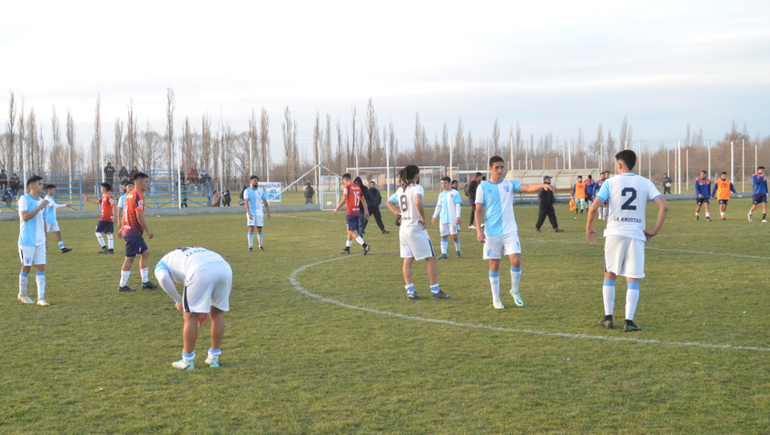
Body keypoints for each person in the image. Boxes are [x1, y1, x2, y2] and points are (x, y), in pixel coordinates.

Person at [587, 150, 668, 332]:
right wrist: (654, 231)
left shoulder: (610, 182)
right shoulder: (645, 183)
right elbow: (664, 206)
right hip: (636, 234)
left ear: (620, 165)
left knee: (610, 274)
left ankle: (608, 318)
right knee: (633, 278)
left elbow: (593, 208)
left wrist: (589, 227)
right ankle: (628, 321)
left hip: (615, 233)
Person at [475, 156, 555, 310]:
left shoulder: (509, 184)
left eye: (502, 167)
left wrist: (542, 186)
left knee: (516, 261)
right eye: (497, 167)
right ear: (490, 169)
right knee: (494, 265)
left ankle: (514, 290)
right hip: (492, 233)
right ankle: (496, 298)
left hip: (510, 231)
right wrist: (479, 230)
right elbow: (478, 211)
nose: (500, 170)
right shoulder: (482, 187)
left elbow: (526, 187)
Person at [154, 247, 232, 370]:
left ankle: (187, 361)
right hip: (224, 267)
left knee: (189, 316)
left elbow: (163, 278)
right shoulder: (179, 257)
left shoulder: (161, 264)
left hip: (200, 270)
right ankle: (214, 359)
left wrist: (178, 301)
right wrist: (201, 308)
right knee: (217, 314)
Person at [387, 165, 450, 300]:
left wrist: (399, 215)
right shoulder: (417, 188)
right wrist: (423, 218)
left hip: (403, 229)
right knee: (431, 258)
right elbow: (417, 201)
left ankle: (410, 291)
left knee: (408, 260)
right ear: (415, 175)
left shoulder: (400, 190)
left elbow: (389, 203)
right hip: (415, 228)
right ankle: (435, 290)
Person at [116, 172, 158, 292]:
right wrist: (148, 230)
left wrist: (122, 228)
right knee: (129, 258)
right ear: (139, 182)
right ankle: (122, 286)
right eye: (146, 182)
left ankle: (145, 282)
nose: (148, 184)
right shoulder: (138, 195)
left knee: (145, 253)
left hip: (131, 231)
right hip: (133, 233)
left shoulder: (129, 195)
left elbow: (126, 213)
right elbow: (139, 216)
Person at [17, 175, 51, 306]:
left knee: (40, 267)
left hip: (40, 241)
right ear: (32, 186)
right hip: (27, 241)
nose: (42, 186)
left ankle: (41, 298)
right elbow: (25, 217)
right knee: (26, 268)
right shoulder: (24, 199)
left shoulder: (43, 202)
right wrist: (40, 207)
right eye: (40, 184)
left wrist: (45, 240)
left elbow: (43, 221)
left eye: (42, 183)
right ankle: (22, 294)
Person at [333, 173, 371, 255]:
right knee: (349, 230)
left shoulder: (347, 187)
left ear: (346, 179)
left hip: (350, 212)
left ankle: (365, 245)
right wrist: (366, 211)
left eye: (344, 181)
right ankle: (347, 248)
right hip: (357, 211)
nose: (344, 183)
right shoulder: (357, 187)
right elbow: (363, 200)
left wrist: (337, 208)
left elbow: (344, 199)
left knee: (351, 230)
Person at [432, 176, 462, 259]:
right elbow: (439, 205)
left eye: (445, 183)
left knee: (454, 236)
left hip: (453, 219)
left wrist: (458, 216)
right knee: (444, 236)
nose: (443, 185)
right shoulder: (441, 194)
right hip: (443, 219)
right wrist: (434, 216)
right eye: (442, 183)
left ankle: (458, 250)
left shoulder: (455, 193)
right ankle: (444, 253)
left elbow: (458, 205)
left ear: (449, 183)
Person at [83, 183, 116, 254]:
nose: (100, 189)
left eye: (101, 188)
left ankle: (104, 247)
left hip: (105, 217)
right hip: (109, 218)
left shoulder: (108, 196)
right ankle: (111, 249)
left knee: (97, 231)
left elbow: (113, 205)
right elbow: (97, 202)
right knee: (108, 232)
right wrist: (87, 199)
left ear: (105, 189)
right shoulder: (104, 197)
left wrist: (115, 217)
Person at [244, 175, 271, 252]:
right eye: (255, 181)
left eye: (257, 181)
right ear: (251, 182)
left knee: (259, 229)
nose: (256, 182)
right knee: (251, 228)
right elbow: (246, 203)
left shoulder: (261, 190)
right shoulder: (247, 191)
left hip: (259, 213)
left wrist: (268, 212)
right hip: (251, 213)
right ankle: (250, 247)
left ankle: (260, 246)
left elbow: (265, 201)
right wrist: (248, 213)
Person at [43, 184, 73, 253]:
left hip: (53, 220)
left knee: (58, 233)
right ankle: (41, 249)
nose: (55, 191)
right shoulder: (47, 199)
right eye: (53, 190)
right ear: (49, 190)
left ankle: (62, 248)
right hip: (48, 220)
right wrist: (65, 205)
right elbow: (55, 206)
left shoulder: (50, 198)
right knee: (43, 235)